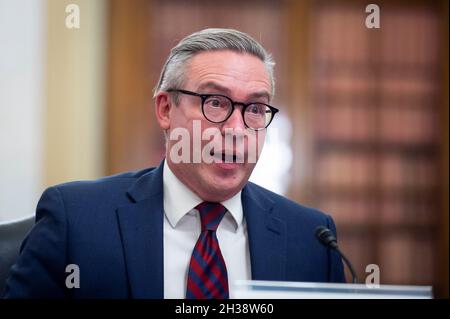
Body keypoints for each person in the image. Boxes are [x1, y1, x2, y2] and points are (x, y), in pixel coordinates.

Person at [4, 28, 344, 299]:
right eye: (215, 102)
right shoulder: (76, 220)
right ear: (166, 109)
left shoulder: (312, 239)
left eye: (255, 109)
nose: (237, 130)